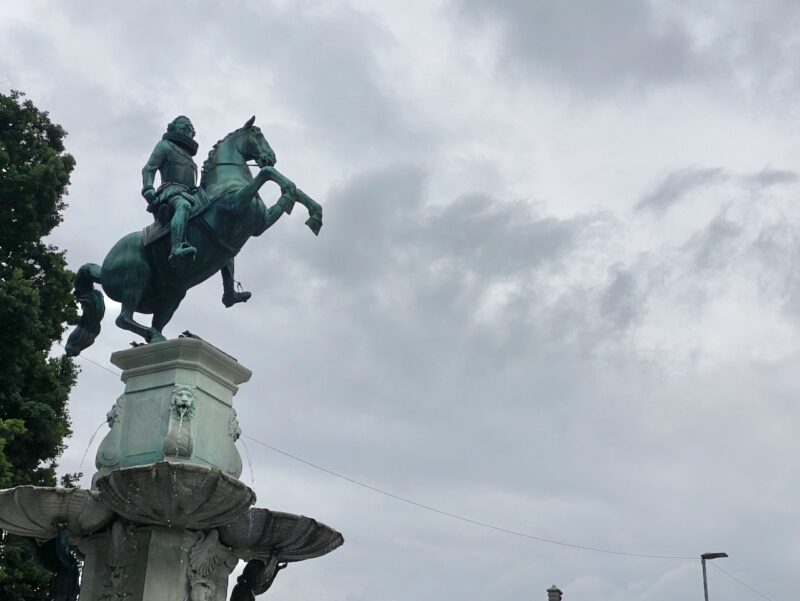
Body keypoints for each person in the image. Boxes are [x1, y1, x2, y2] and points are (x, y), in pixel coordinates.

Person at [141, 116, 250, 306]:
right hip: (171, 192)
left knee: (219, 228)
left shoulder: (189, 157)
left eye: (191, 128)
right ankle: (176, 248)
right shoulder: (164, 146)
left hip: (192, 195)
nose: (189, 131)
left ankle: (229, 291)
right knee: (182, 206)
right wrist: (148, 188)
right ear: (174, 128)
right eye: (185, 127)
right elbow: (148, 168)